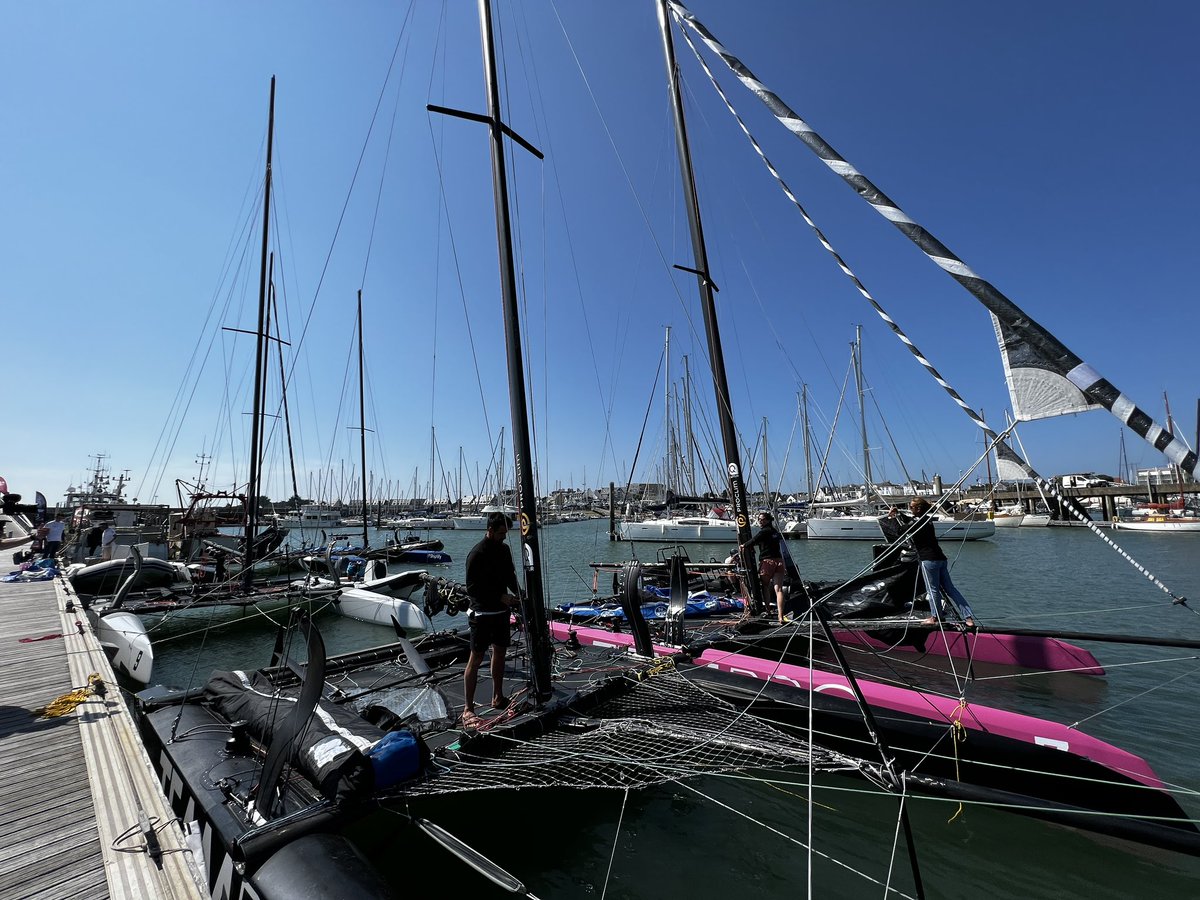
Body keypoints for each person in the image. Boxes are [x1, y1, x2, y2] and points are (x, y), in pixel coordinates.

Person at [461, 511, 522, 727]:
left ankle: (498, 696)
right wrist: (499, 596)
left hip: (501, 612)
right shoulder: (476, 554)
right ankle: (468, 709)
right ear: (490, 530)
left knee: (500, 652)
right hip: (482, 614)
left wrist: (520, 594)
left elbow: (509, 577)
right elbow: (472, 588)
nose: (504, 537)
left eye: (506, 533)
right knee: (476, 659)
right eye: (500, 533)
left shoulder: (504, 550)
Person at [908, 497, 975, 627]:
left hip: (929, 560)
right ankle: (968, 617)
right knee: (951, 589)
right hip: (941, 558)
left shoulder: (916, 522)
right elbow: (909, 523)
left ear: (918, 509)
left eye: (911, 507)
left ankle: (935, 617)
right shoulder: (927, 520)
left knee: (932, 590)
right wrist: (899, 515)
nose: (910, 509)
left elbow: (901, 530)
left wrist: (891, 518)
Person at [742, 511, 787, 625]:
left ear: (768, 520)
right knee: (779, 589)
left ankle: (767, 609)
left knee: (765, 586)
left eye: (762, 519)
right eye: (759, 519)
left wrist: (743, 546)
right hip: (779, 561)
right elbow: (767, 543)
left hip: (767, 562)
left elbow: (753, 541)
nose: (760, 521)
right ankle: (780, 616)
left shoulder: (764, 531)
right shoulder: (775, 532)